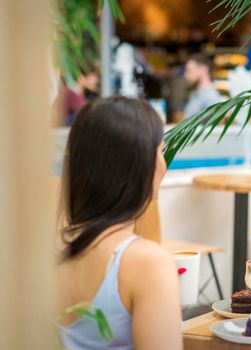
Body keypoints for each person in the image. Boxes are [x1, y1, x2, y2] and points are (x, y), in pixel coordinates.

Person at [56, 97, 183, 349]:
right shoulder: (148, 264)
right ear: (142, 165)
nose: (164, 162)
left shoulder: (47, 256)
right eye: (160, 149)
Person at [183, 53, 223, 118]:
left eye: (189, 71)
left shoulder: (211, 96)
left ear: (203, 69)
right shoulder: (196, 93)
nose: (185, 75)